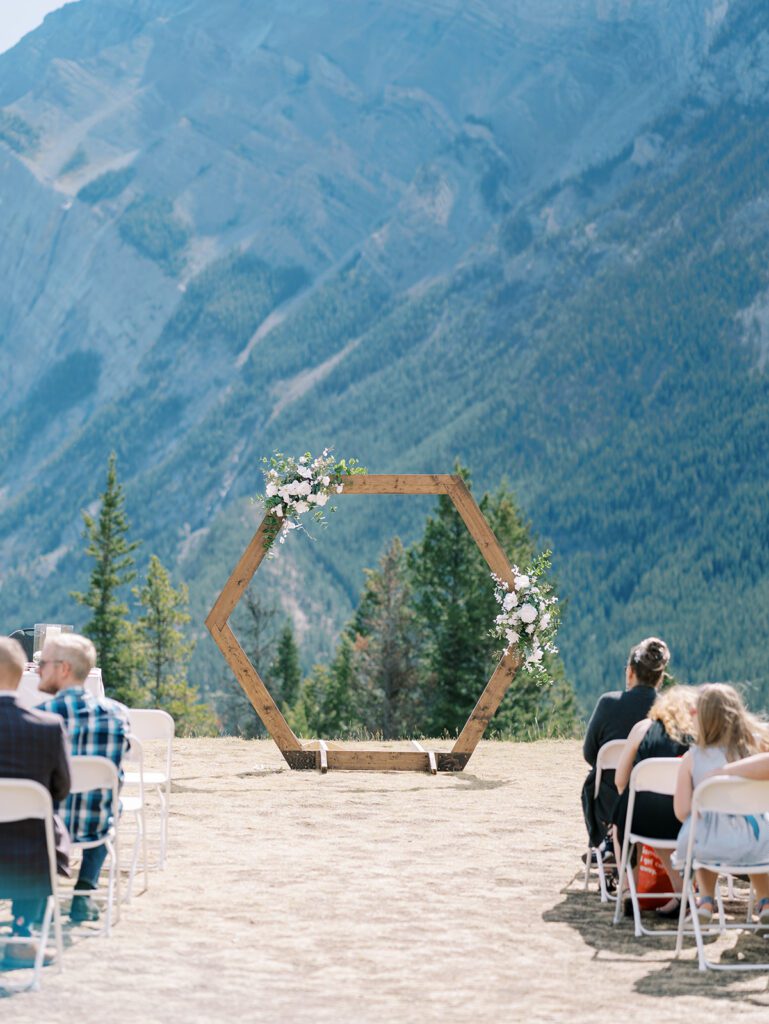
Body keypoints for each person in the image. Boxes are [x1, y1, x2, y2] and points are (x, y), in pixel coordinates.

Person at [37, 633, 131, 922]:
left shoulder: (40, 717)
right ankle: (85, 890)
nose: (39, 669)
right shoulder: (119, 716)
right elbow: (117, 778)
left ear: (63, 669)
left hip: (47, 831)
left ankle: (42, 894)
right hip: (95, 826)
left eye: (43, 663)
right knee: (116, 805)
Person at [0, 637, 71, 967]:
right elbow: (61, 790)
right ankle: (21, 933)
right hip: (30, 856)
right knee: (45, 827)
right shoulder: (48, 727)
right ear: (20, 676)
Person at [674, 683, 769, 925]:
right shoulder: (754, 750)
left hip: (711, 845)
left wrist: (717, 778)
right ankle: (766, 901)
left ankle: (705, 900)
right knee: (756, 840)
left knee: (702, 833)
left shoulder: (692, 758)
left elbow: (682, 811)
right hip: (756, 842)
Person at [611, 685, 696, 915]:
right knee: (662, 833)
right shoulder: (698, 738)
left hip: (643, 813)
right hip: (685, 815)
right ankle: (682, 894)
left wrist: (627, 807)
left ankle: (628, 889)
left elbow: (620, 780)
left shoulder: (643, 728)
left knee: (624, 820)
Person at [581, 637, 670, 850]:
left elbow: (590, 754)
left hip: (610, 803)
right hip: (657, 803)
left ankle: (608, 840)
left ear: (630, 671)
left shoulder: (608, 703)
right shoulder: (670, 709)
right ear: (660, 679)